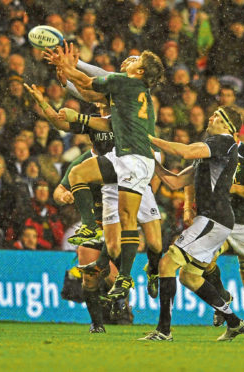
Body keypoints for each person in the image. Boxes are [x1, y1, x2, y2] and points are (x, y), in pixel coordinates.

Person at [45, 45, 165, 300]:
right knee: (78, 174)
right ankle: (90, 227)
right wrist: (65, 73)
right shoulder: (125, 87)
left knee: (153, 242)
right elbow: (89, 93)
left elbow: (89, 81)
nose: (128, 60)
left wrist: (67, 66)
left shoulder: (125, 83)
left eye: (135, 59)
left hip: (137, 159)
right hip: (121, 157)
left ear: (139, 70)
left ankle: (144, 272)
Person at [139, 106, 244, 342]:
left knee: (167, 264)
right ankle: (234, 322)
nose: (211, 117)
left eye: (216, 116)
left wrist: (148, 137)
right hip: (214, 219)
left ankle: (164, 331)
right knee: (189, 277)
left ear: (228, 126)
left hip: (213, 218)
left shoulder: (224, 142)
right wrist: (153, 160)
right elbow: (175, 181)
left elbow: (186, 151)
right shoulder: (210, 152)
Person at [198, 125, 244, 339]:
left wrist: (234, 188)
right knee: (203, 260)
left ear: (237, 134)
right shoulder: (211, 151)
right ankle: (222, 296)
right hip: (220, 220)